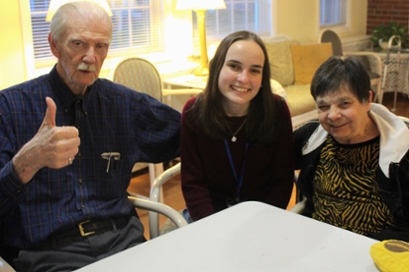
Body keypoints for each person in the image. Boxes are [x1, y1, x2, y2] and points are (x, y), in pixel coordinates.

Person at [0, 2, 180, 271]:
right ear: (54, 45)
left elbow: (190, 133)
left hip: (123, 241)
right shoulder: (10, 107)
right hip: (50, 252)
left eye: (101, 46)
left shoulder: (123, 104)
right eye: (78, 44)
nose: (91, 57)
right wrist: (28, 161)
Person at [180, 30, 294, 221]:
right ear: (217, 67)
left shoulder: (277, 111)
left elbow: (281, 182)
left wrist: (260, 223)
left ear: (263, 77)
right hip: (209, 217)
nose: (244, 79)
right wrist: (213, 227)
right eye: (234, 66)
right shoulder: (194, 112)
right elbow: (193, 184)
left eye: (255, 70)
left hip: (262, 217)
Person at [294, 55, 409, 241]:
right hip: (316, 242)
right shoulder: (310, 138)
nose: (333, 115)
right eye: (323, 106)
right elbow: (267, 163)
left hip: (376, 252)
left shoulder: (402, 150)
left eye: (344, 104)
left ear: (367, 99)